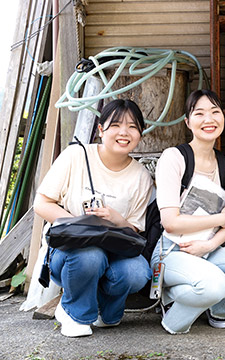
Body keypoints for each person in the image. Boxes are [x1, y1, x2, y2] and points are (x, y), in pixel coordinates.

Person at [151, 89, 225, 335]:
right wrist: (219, 218)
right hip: (171, 252)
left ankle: (220, 311)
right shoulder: (174, 158)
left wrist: (208, 246)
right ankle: (172, 309)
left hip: (207, 250)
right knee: (215, 284)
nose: (209, 119)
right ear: (187, 122)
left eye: (215, 112)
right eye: (200, 113)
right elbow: (171, 222)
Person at [33, 99, 154, 337]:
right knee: (90, 256)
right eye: (116, 125)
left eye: (132, 126)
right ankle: (75, 313)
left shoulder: (141, 176)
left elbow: (135, 231)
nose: (124, 132)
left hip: (114, 253)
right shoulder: (76, 156)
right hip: (70, 253)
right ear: (100, 130)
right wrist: (84, 226)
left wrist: (118, 219)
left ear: (141, 132)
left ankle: (107, 311)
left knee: (137, 272)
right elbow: (42, 203)